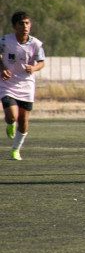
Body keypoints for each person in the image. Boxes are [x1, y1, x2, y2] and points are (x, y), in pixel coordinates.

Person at [0, 11, 46, 161]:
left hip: (26, 84)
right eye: (21, 24)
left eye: (27, 23)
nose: (24, 26)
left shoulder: (36, 44)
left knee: (24, 120)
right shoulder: (5, 41)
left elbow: (42, 62)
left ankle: (16, 149)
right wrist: (2, 68)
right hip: (8, 83)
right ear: (14, 26)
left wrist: (33, 68)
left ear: (30, 25)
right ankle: (10, 123)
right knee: (12, 115)